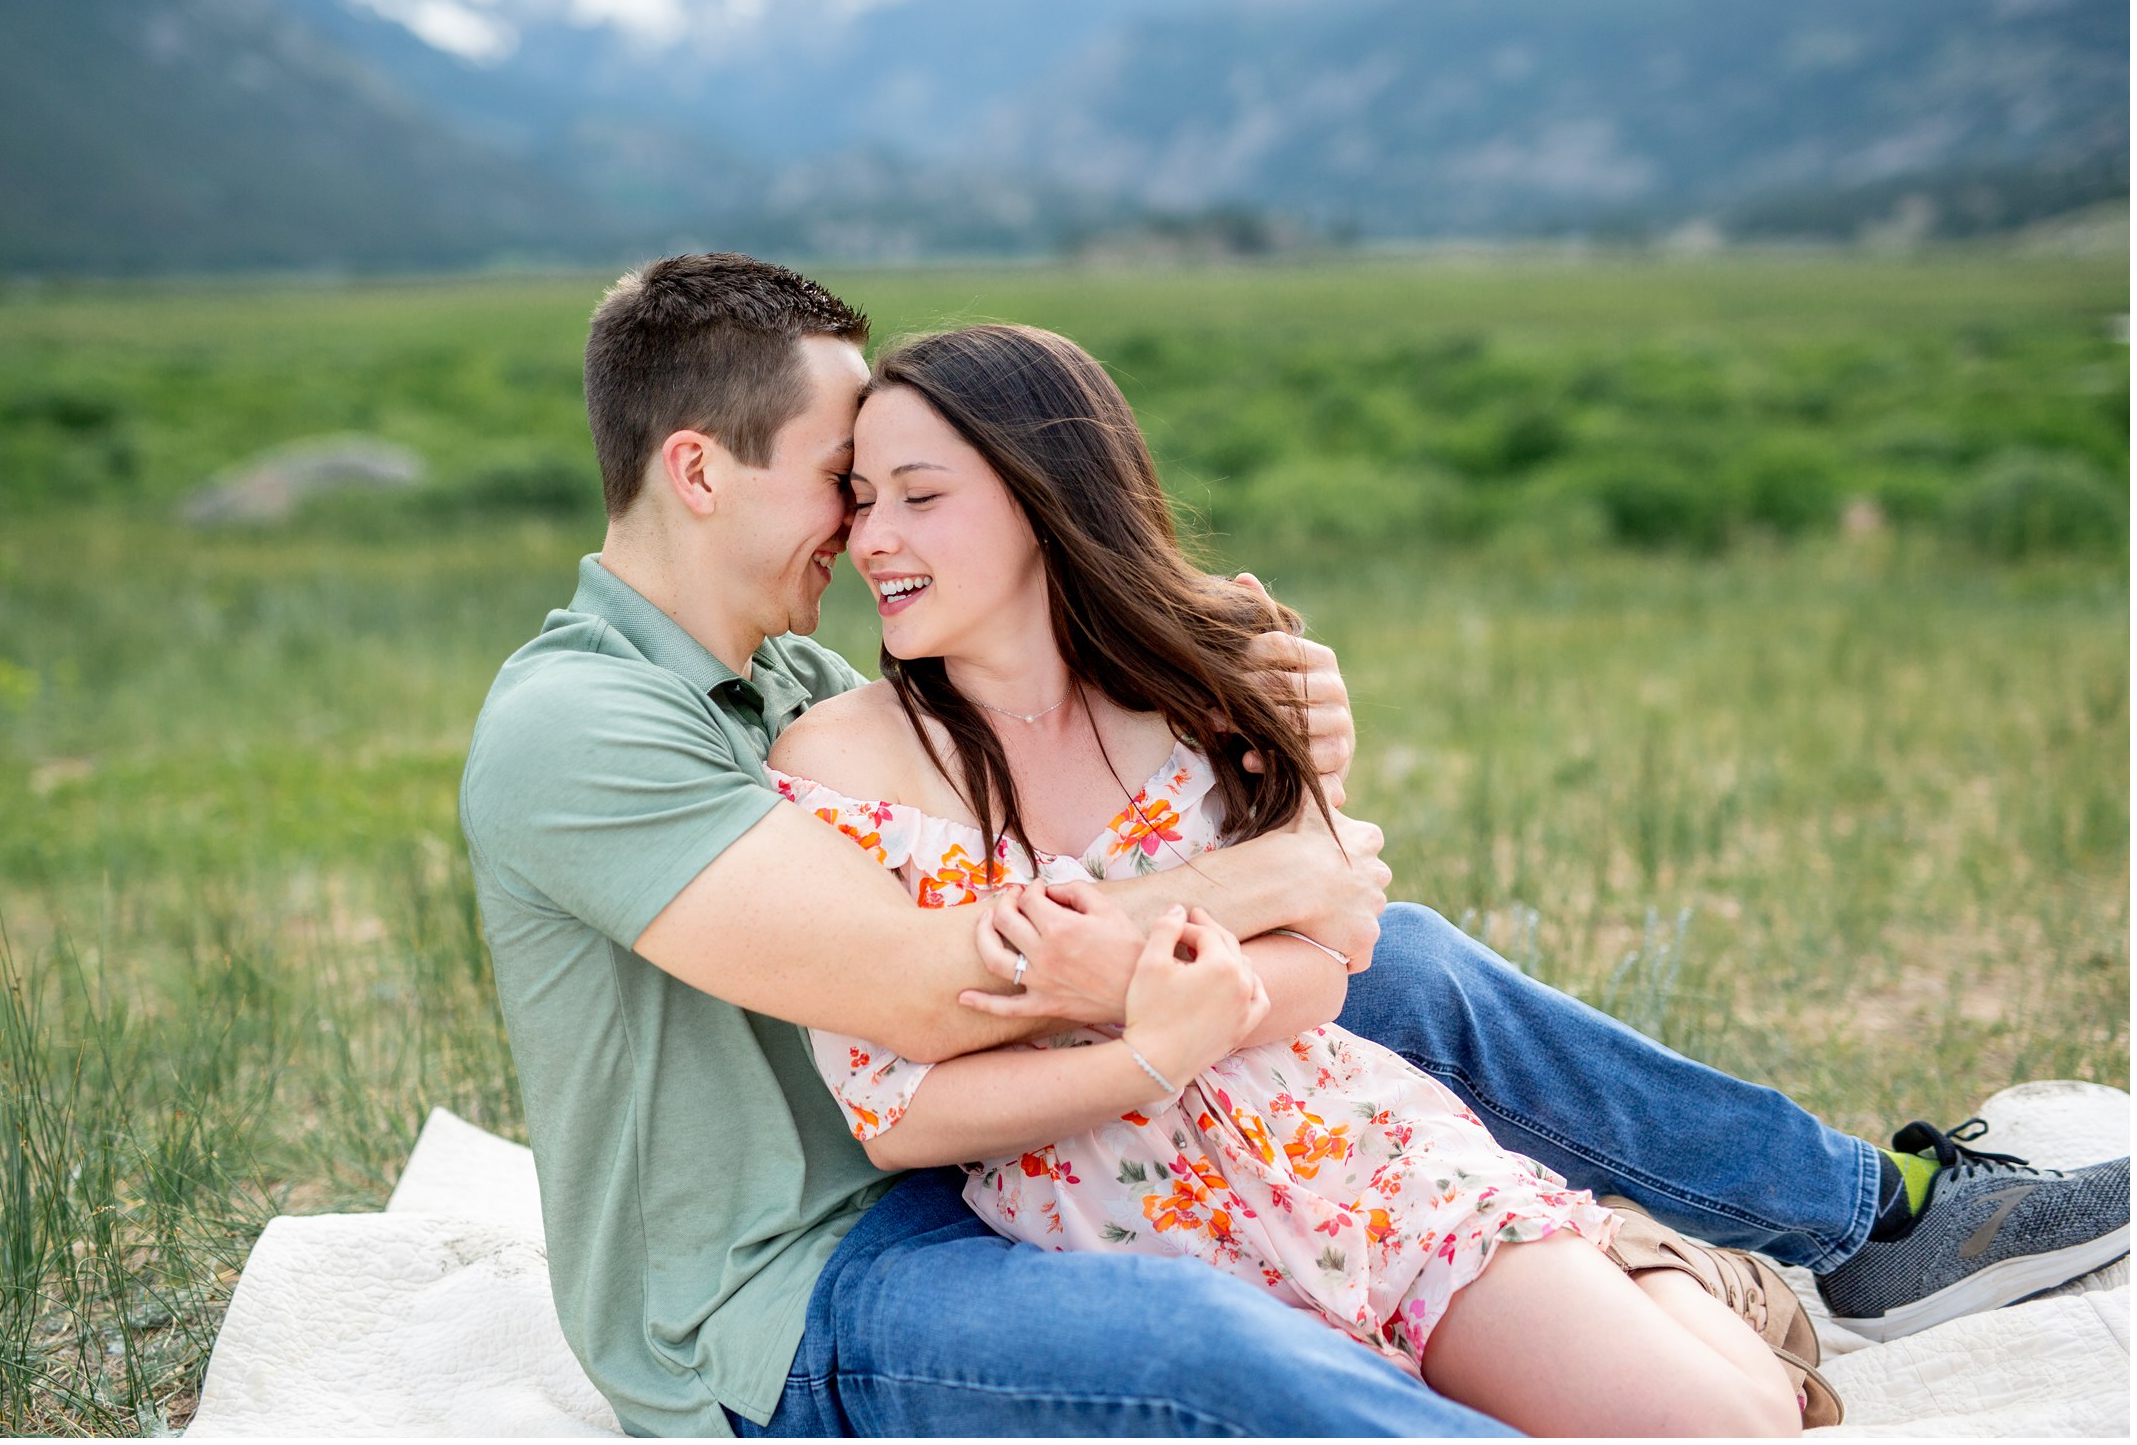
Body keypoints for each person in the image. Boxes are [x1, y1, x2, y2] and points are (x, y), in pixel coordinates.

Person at [457, 252, 2130, 1437]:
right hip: (794, 1281)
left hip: (987, 1165)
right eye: (839, 479)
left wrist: (1280, 752)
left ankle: (1856, 1216)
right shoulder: (580, 726)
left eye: (897, 488)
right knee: (1214, 1345)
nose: (861, 527)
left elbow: (1120, 819)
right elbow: (924, 991)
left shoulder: (795, 677)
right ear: (696, 468)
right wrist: (1271, 884)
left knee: (1408, 961)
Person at [764, 321, 1820, 1434]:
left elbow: (1336, 950)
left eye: (919, 497)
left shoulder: (1207, 689)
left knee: (1730, 1428)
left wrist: (1115, 978)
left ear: (1042, 494)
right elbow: (895, 1116)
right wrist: (1144, 1047)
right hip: (1131, 1228)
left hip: (1345, 1142)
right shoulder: (839, 760)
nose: (873, 537)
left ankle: (1656, 1266)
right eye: (862, 497)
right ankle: (1601, 1258)